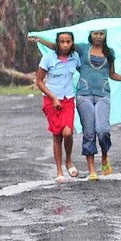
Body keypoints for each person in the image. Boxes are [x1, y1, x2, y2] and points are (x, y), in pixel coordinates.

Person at [29, 29, 121, 181]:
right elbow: (59, 49)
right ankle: (81, 169)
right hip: (75, 96)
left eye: (101, 33)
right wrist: (41, 40)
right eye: (95, 33)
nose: (98, 36)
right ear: (90, 34)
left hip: (90, 96)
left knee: (100, 130)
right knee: (81, 133)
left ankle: (99, 156)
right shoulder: (77, 50)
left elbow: (111, 73)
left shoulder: (98, 53)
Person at [33, 31, 82, 183]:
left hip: (68, 99)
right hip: (51, 100)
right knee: (57, 134)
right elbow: (39, 81)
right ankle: (59, 170)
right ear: (58, 43)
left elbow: (84, 71)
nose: (65, 45)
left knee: (67, 132)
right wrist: (53, 97)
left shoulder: (75, 58)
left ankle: (69, 161)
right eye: (62, 42)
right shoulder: (48, 58)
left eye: (68, 42)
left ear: (72, 42)